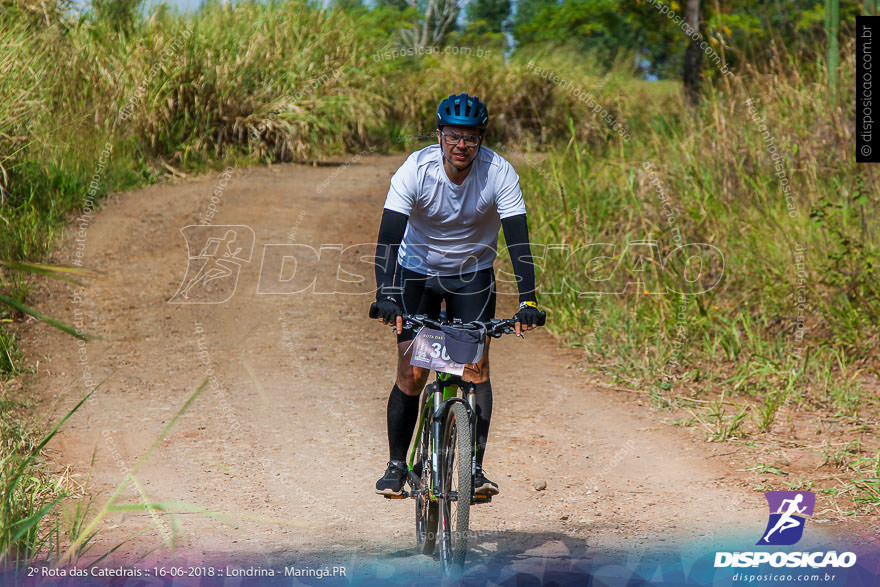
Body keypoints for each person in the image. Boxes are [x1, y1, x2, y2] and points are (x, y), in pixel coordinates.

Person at [370, 93, 545, 497]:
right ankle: (397, 465)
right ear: (440, 135)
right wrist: (387, 294)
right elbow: (388, 241)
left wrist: (528, 301)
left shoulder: (499, 173)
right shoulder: (414, 170)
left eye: (470, 137)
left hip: (473, 277)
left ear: (481, 139)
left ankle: (473, 471)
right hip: (416, 274)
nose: (461, 145)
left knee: (475, 370)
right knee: (412, 373)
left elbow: (519, 242)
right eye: (453, 136)